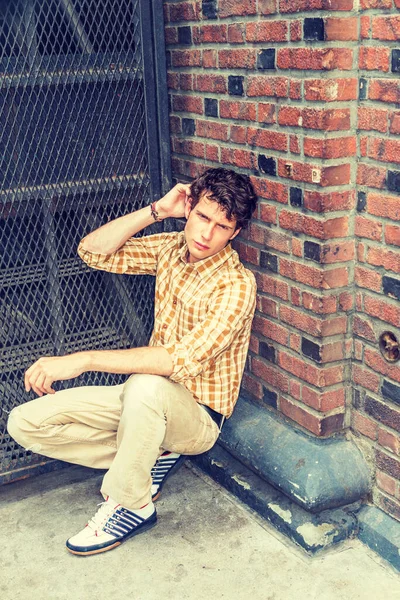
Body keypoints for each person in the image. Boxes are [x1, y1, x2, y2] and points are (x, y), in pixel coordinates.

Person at [7, 167, 258, 556]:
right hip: (142, 399)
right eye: (202, 217)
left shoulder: (237, 286)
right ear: (188, 208)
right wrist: (155, 210)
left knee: (147, 384)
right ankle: (143, 453)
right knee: (25, 423)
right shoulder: (172, 249)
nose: (206, 234)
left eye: (222, 227)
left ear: (235, 232)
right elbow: (92, 251)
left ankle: (131, 504)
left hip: (197, 417)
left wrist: (82, 359)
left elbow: (177, 360)